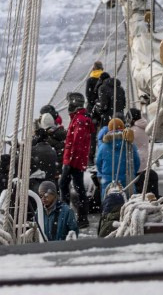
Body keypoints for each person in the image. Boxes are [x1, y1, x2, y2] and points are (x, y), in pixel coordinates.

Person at [59, 92, 95, 228]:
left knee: (64, 185)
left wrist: (69, 163)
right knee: (77, 188)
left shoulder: (79, 120)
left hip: (74, 161)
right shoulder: (80, 118)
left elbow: (76, 143)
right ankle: (80, 218)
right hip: (77, 161)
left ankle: (67, 216)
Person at [95, 117, 140, 199]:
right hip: (127, 179)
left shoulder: (104, 146)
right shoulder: (130, 145)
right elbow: (137, 162)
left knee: (109, 205)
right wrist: (132, 173)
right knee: (129, 205)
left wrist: (104, 173)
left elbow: (98, 163)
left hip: (108, 180)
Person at [128, 107, 158, 198]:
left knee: (140, 184)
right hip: (146, 159)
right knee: (147, 181)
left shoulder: (133, 130)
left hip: (138, 161)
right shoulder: (145, 127)